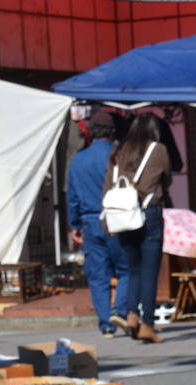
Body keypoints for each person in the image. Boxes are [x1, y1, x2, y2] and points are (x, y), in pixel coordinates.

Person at [103, 112, 172, 344]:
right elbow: (168, 179)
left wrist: (106, 221)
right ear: (154, 130)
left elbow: (107, 187)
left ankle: (132, 315)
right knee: (150, 273)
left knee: (133, 269)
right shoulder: (158, 150)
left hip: (122, 216)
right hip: (149, 212)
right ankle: (148, 326)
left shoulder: (117, 151)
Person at [67, 112, 130, 338]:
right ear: (113, 132)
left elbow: (72, 196)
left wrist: (74, 224)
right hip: (117, 220)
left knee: (98, 276)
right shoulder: (119, 156)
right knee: (126, 269)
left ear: (91, 133)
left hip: (90, 222)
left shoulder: (78, 159)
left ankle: (106, 325)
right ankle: (120, 310)